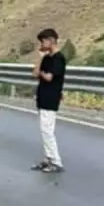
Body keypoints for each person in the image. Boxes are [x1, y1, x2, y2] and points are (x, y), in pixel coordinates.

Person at [31, 28, 66, 173]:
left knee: (47, 130)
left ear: (51, 40)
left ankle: (56, 161)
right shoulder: (46, 58)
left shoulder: (59, 58)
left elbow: (49, 77)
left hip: (51, 97)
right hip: (43, 96)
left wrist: (41, 70)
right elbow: (35, 74)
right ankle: (48, 159)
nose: (41, 44)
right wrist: (40, 63)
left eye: (43, 41)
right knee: (44, 129)